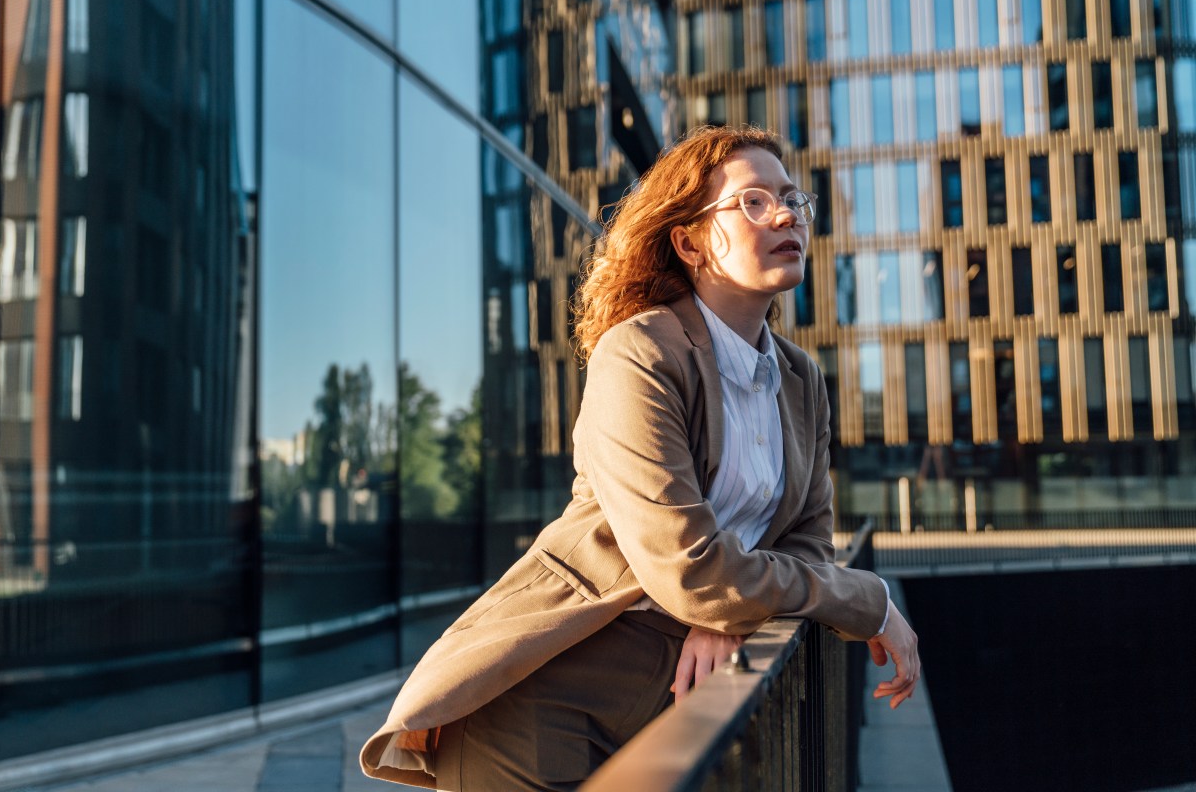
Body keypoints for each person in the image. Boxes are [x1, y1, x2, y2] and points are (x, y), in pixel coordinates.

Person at [359, 125, 920, 791]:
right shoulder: (639, 353)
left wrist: (730, 618)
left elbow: (806, 541)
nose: (784, 215)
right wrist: (867, 599)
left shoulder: (799, 380)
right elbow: (689, 568)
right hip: (544, 694)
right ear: (688, 242)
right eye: (753, 201)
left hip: (673, 694)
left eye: (792, 199)